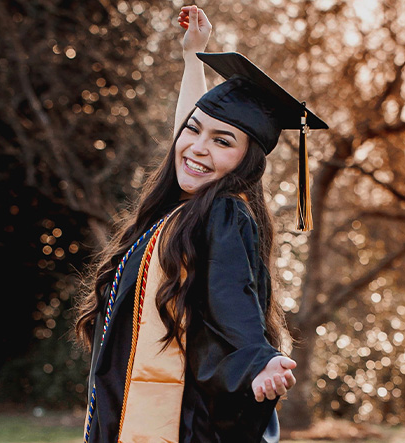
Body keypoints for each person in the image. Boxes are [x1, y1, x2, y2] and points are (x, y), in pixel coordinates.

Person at [74, 5, 328, 443]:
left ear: (246, 160)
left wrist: (255, 359)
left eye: (222, 141)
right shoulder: (178, 210)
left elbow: (232, 294)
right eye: (194, 130)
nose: (196, 148)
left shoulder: (223, 212)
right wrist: (194, 56)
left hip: (177, 422)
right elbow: (189, 139)